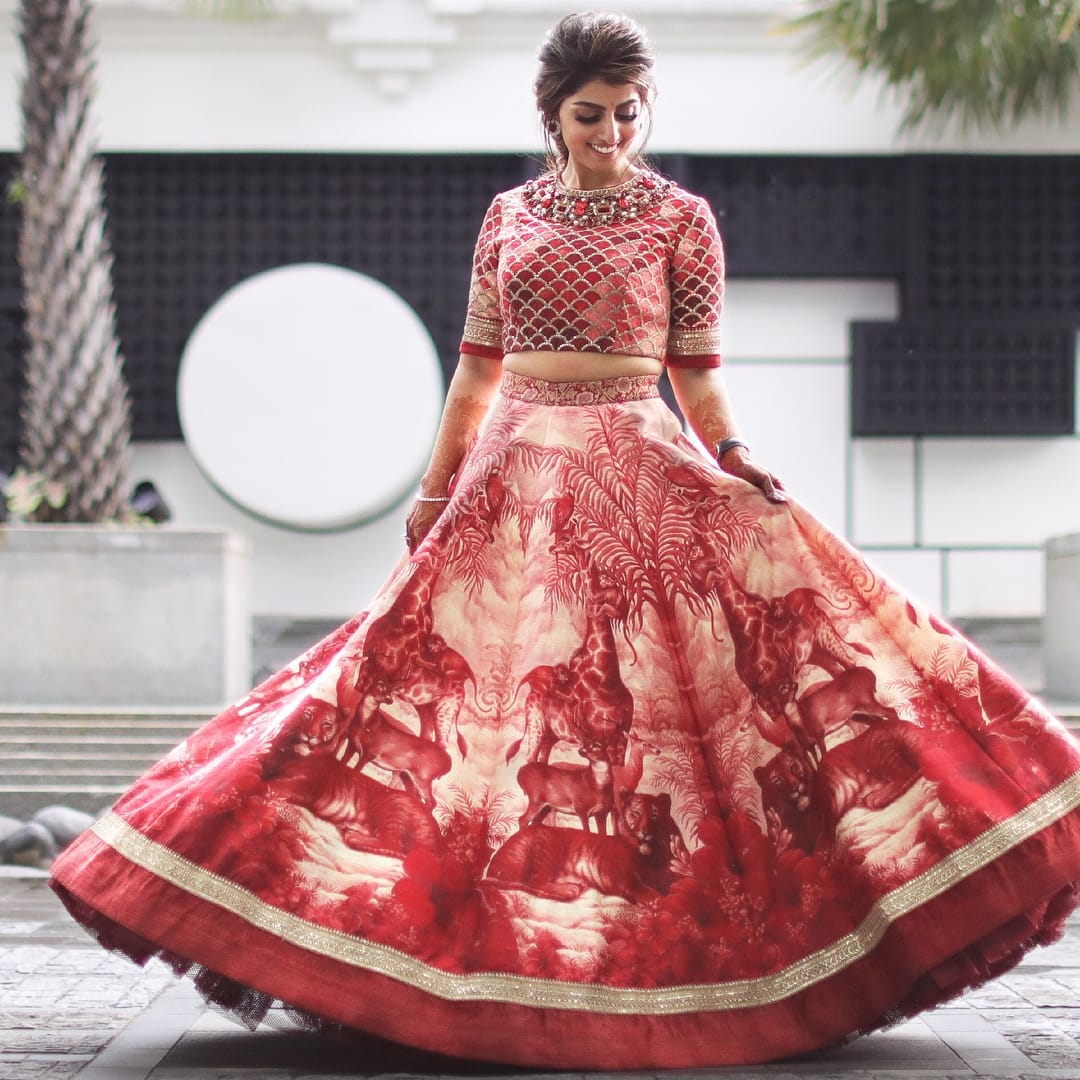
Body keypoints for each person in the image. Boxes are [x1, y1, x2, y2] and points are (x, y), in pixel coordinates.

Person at [50, 12, 1080, 1070]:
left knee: (667, 698)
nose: (612, 132)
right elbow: (476, 368)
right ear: (552, 114)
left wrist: (732, 451)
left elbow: (697, 369)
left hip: (636, 454)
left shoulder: (683, 218)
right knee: (427, 695)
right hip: (512, 472)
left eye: (630, 112)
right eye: (590, 115)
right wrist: (437, 482)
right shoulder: (508, 218)